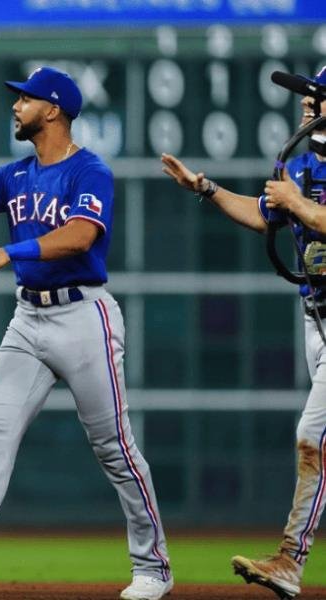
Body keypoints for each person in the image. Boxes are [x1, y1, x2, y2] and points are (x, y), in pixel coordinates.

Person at [0, 66, 174, 600]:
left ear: (54, 109)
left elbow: (79, 236)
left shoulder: (89, 170)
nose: (16, 106)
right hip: (29, 320)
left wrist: (3, 253)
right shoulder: (16, 174)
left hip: (84, 317)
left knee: (115, 449)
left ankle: (154, 567)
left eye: (25, 99)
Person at [161, 65, 326, 600]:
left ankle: (289, 561)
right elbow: (264, 216)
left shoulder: (298, 182)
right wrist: (205, 188)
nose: (305, 103)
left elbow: (296, 211)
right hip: (316, 317)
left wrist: (296, 203)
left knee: (313, 437)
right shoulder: (302, 165)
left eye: (314, 96)